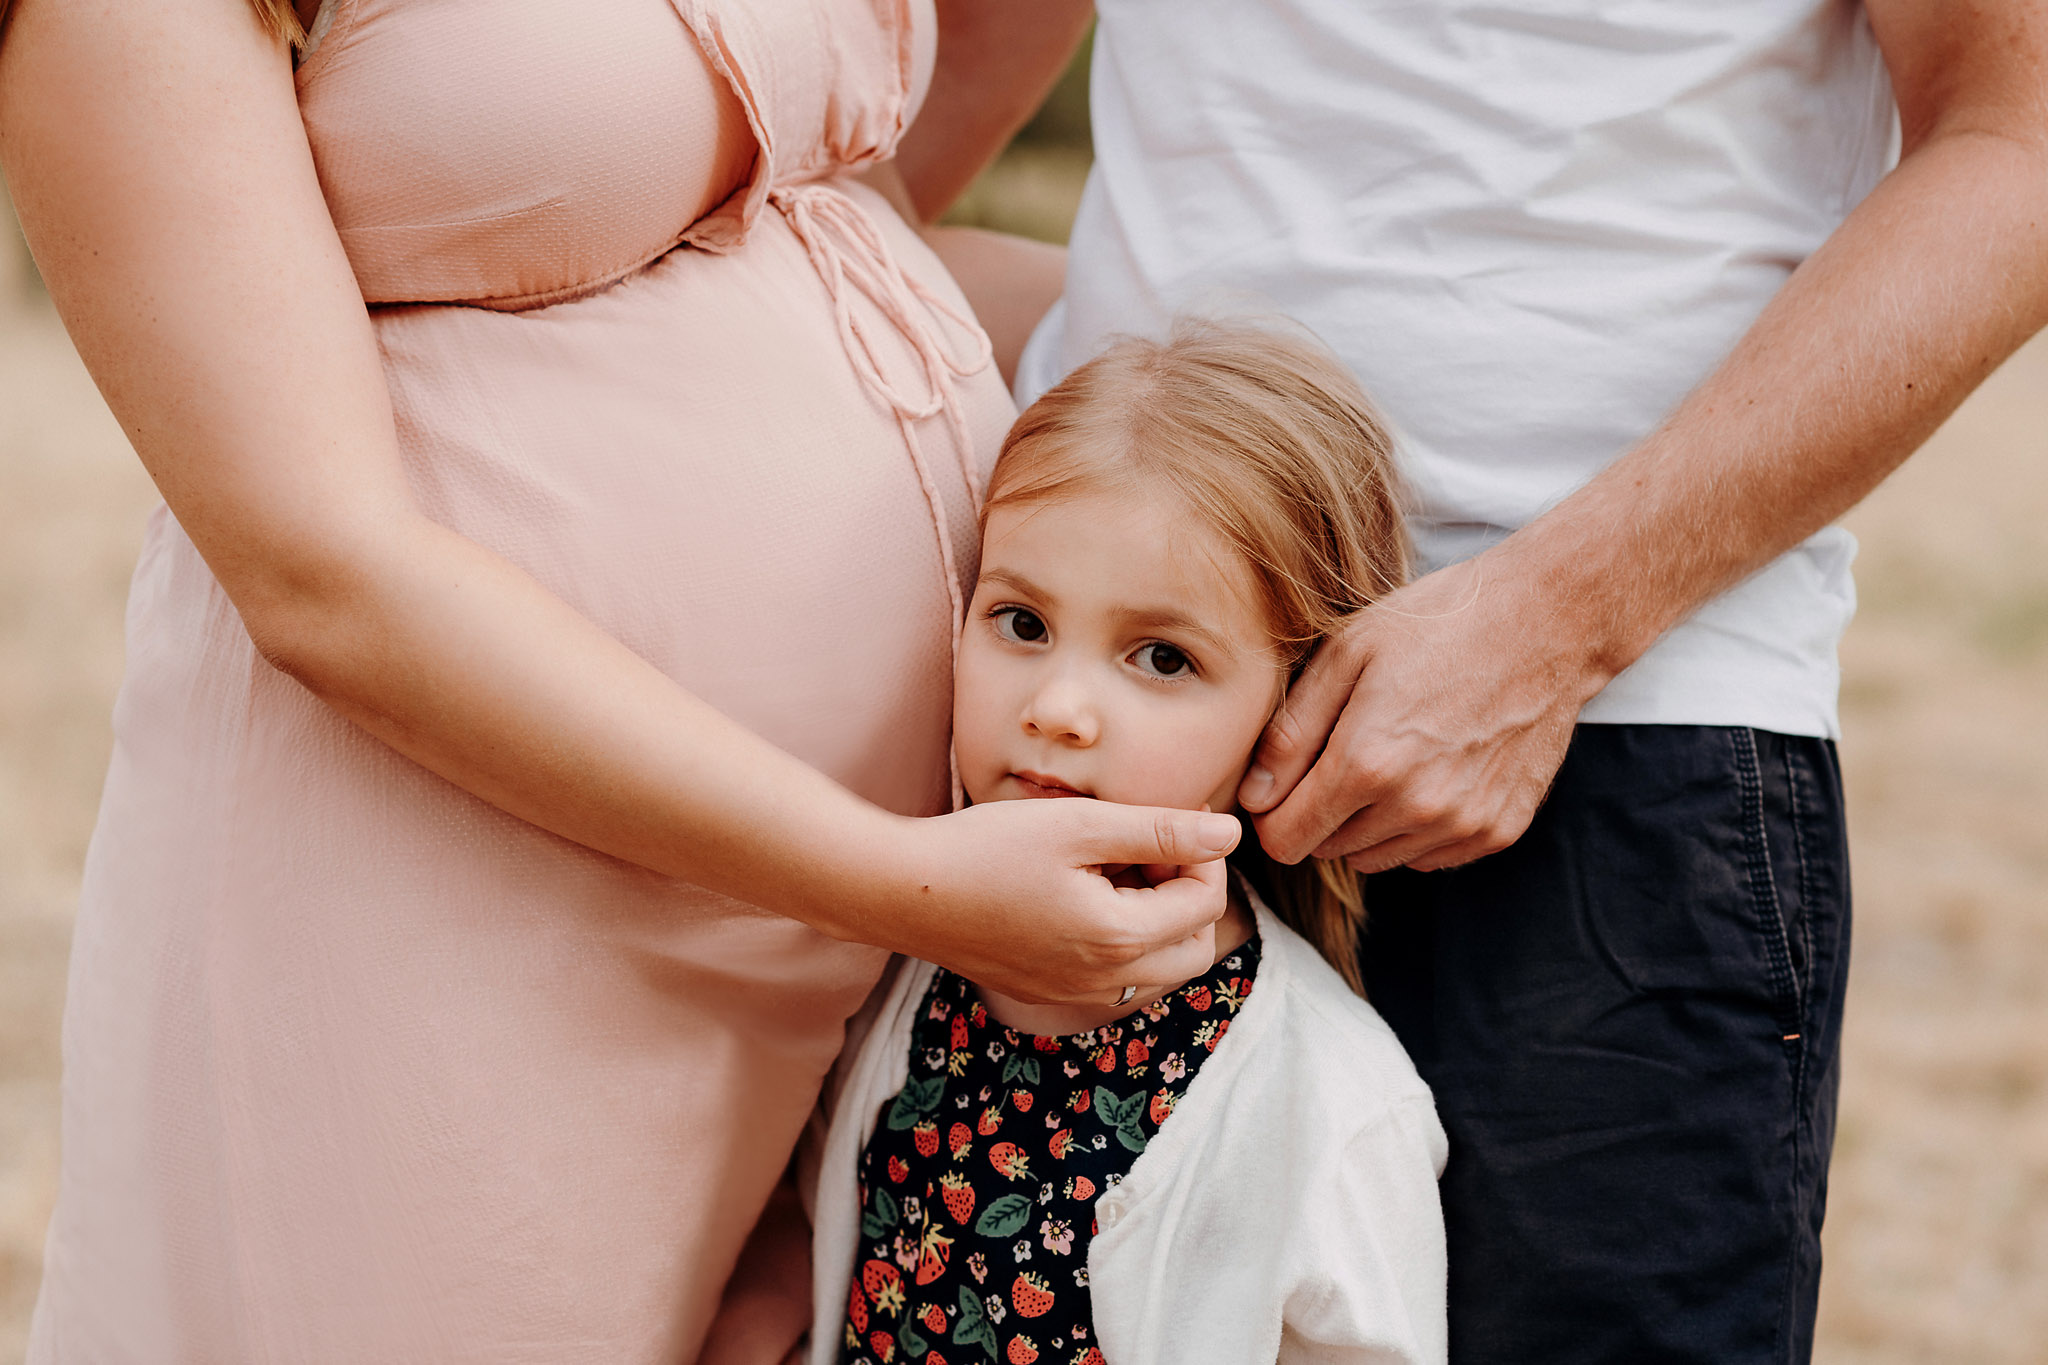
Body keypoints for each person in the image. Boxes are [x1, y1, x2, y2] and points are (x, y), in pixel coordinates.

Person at [0, 1, 1245, 1360]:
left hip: (804, 943)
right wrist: (902, 881)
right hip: (446, 921)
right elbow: (320, 574)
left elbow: (815, 210)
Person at [890, 2, 2048, 1362]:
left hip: (1605, 735)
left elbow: (2016, 136)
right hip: (1090, 702)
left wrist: (1558, 619)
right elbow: (890, 144)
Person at [809, 321, 1448, 1365]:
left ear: (1293, 709)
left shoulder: (1331, 1107)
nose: (1058, 707)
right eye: (1020, 623)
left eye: (1158, 657)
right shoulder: (903, 969)